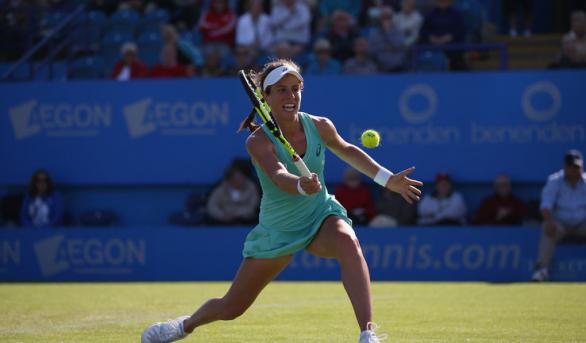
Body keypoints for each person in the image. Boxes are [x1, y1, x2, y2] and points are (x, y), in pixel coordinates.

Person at [141, 59, 423, 343]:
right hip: (279, 229)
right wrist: (300, 185)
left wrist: (388, 179)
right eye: (282, 91)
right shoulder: (257, 141)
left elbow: (348, 150)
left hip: (319, 215)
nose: (291, 97)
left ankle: (367, 334)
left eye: (296, 89)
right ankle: (183, 326)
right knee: (231, 307)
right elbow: (277, 175)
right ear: (266, 96)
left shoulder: (320, 126)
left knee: (348, 242)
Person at [531, 150, 586, 282]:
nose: (575, 170)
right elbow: (546, 205)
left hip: (582, 224)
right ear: (565, 167)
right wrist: (549, 220)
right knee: (548, 227)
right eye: (572, 167)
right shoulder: (554, 181)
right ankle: (542, 270)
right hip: (560, 225)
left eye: (577, 167)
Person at [419, 0, 467, 71]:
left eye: (445, 1)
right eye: (440, 1)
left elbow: (461, 29)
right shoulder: (430, 14)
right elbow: (423, 31)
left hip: (452, 45)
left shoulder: (456, 14)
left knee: (457, 58)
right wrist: (431, 37)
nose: (443, 3)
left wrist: (450, 36)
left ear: (449, 2)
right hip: (434, 45)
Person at [367, 6, 406, 72]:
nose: (386, 20)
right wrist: (386, 47)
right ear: (380, 19)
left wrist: (388, 32)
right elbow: (371, 50)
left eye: (388, 18)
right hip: (380, 68)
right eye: (384, 18)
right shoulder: (374, 34)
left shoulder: (399, 31)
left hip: (398, 68)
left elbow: (398, 45)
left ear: (392, 18)